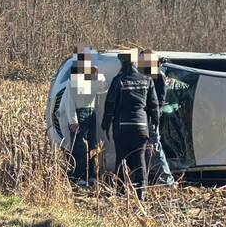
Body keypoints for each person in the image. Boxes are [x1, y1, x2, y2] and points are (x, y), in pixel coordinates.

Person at [101, 49, 160, 200]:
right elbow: (154, 105)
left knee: (122, 158)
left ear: (122, 62)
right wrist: (155, 123)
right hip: (141, 125)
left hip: (122, 126)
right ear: (135, 62)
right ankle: (141, 193)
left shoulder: (119, 80)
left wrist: (105, 125)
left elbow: (110, 104)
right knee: (140, 159)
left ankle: (121, 192)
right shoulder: (147, 80)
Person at [61, 47, 107, 186]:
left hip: (91, 114)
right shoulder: (73, 80)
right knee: (80, 148)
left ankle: (92, 175)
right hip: (79, 114)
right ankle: (80, 176)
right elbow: (69, 101)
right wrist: (73, 121)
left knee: (92, 145)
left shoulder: (93, 79)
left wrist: (97, 73)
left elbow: (103, 88)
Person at [139, 50, 175, 186]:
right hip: (148, 115)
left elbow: (158, 99)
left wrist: (153, 114)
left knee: (154, 145)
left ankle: (167, 179)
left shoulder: (156, 75)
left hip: (150, 116)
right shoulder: (150, 73)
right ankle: (155, 177)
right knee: (150, 146)